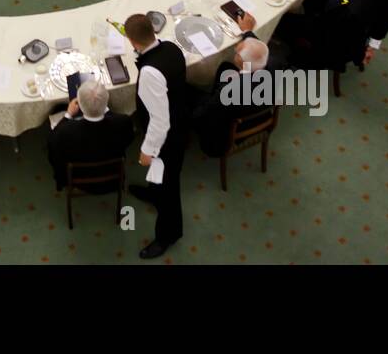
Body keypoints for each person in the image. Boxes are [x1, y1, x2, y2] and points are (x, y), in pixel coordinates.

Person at [121, 13, 189, 259]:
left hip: (168, 137)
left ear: (132, 42)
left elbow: (160, 121)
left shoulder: (150, 73)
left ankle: (168, 235)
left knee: (170, 188)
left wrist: (147, 150)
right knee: (161, 182)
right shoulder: (171, 47)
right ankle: (153, 193)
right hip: (180, 119)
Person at [194, 26, 270, 159]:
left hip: (223, 136)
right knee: (225, 67)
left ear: (242, 61)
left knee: (185, 96)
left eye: (237, 53)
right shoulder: (271, 66)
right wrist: (247, 32)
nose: (235, 51)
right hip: (258, 113)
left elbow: (204, 113)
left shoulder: (228, 93)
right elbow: (259, 50)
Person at [47, 79, 135, 192]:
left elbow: (52, 146)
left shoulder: (64, 132)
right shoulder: (124, 122)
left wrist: (68, 114)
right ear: (106, 102)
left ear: (80, 106)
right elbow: (128, 139)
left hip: (79, 179)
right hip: (112, 176)